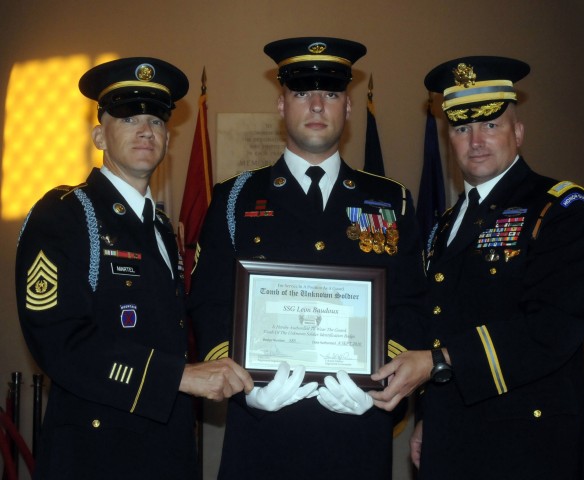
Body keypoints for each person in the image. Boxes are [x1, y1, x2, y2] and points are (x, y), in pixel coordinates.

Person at [188, 37, 427, 479]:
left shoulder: (390, 200)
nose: (317, 105)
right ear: (281, 105)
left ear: (348, 108)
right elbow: (210, 302)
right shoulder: (234, 198)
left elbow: (411, 304)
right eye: (302, 93)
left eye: (331, 93)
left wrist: (380, 381)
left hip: (357, 439)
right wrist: (245, 388)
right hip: (262, 442)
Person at [15, 57, 253, 480]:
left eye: (157, 120)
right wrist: (177, 376)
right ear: (99, 135)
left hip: (167, 446)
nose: (146, 129)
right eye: (128, 117)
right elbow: (58, 341)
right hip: (97, 452)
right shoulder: (66, 214)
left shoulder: (160, 226)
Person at [369, 56, 584, 479]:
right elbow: (442, 320)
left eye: (490, 125)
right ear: (449, 139)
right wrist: (430, 415)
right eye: (461, 128)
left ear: (518, 132)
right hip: (452, 441)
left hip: (527, 451)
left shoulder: (560, 208)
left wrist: (439, 361)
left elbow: (553, 326)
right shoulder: (445, 225)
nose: (475, 140)